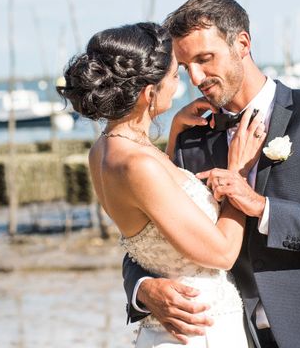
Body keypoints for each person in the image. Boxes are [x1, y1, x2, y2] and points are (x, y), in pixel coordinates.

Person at [123, 0, 300, 348]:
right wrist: (143, 288)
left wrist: (262, 208)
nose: (196, 77)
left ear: (242, 43)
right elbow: (148, 239)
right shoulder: (190, 140)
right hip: (233, 336)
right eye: (185, 67)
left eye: (204, 59)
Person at [57, 22, 266, 347]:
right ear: (148, 93)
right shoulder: (138, 164)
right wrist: (237, 171)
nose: (182, 83)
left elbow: (155, 209)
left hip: (172, 329)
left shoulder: (104, 149)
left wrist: (175, 134)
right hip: (200, 330)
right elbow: (223, 253)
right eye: (174, 76)